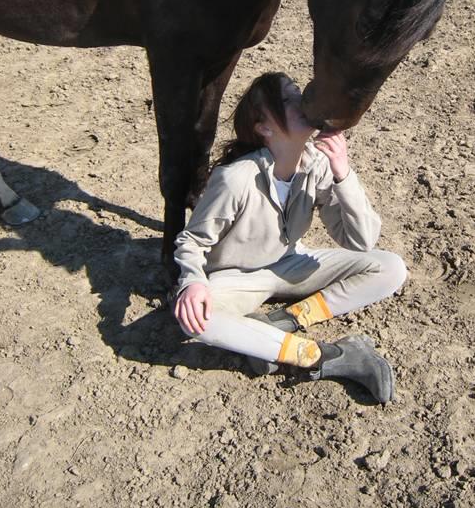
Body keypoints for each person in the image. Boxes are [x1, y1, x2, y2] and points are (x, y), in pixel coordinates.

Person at [171, 71, 406, 403]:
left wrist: (344, 173)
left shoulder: (318, 166)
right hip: (240, 278)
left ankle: (286, 321)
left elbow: (361, 241)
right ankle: (326, 356)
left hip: (290, 264)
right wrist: (193, 281)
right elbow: (192, 241)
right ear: (263, 127)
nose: (301, 102)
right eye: (286, 100)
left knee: (391, 267)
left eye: (298, 93)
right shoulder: (235, 179)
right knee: (196, 321)